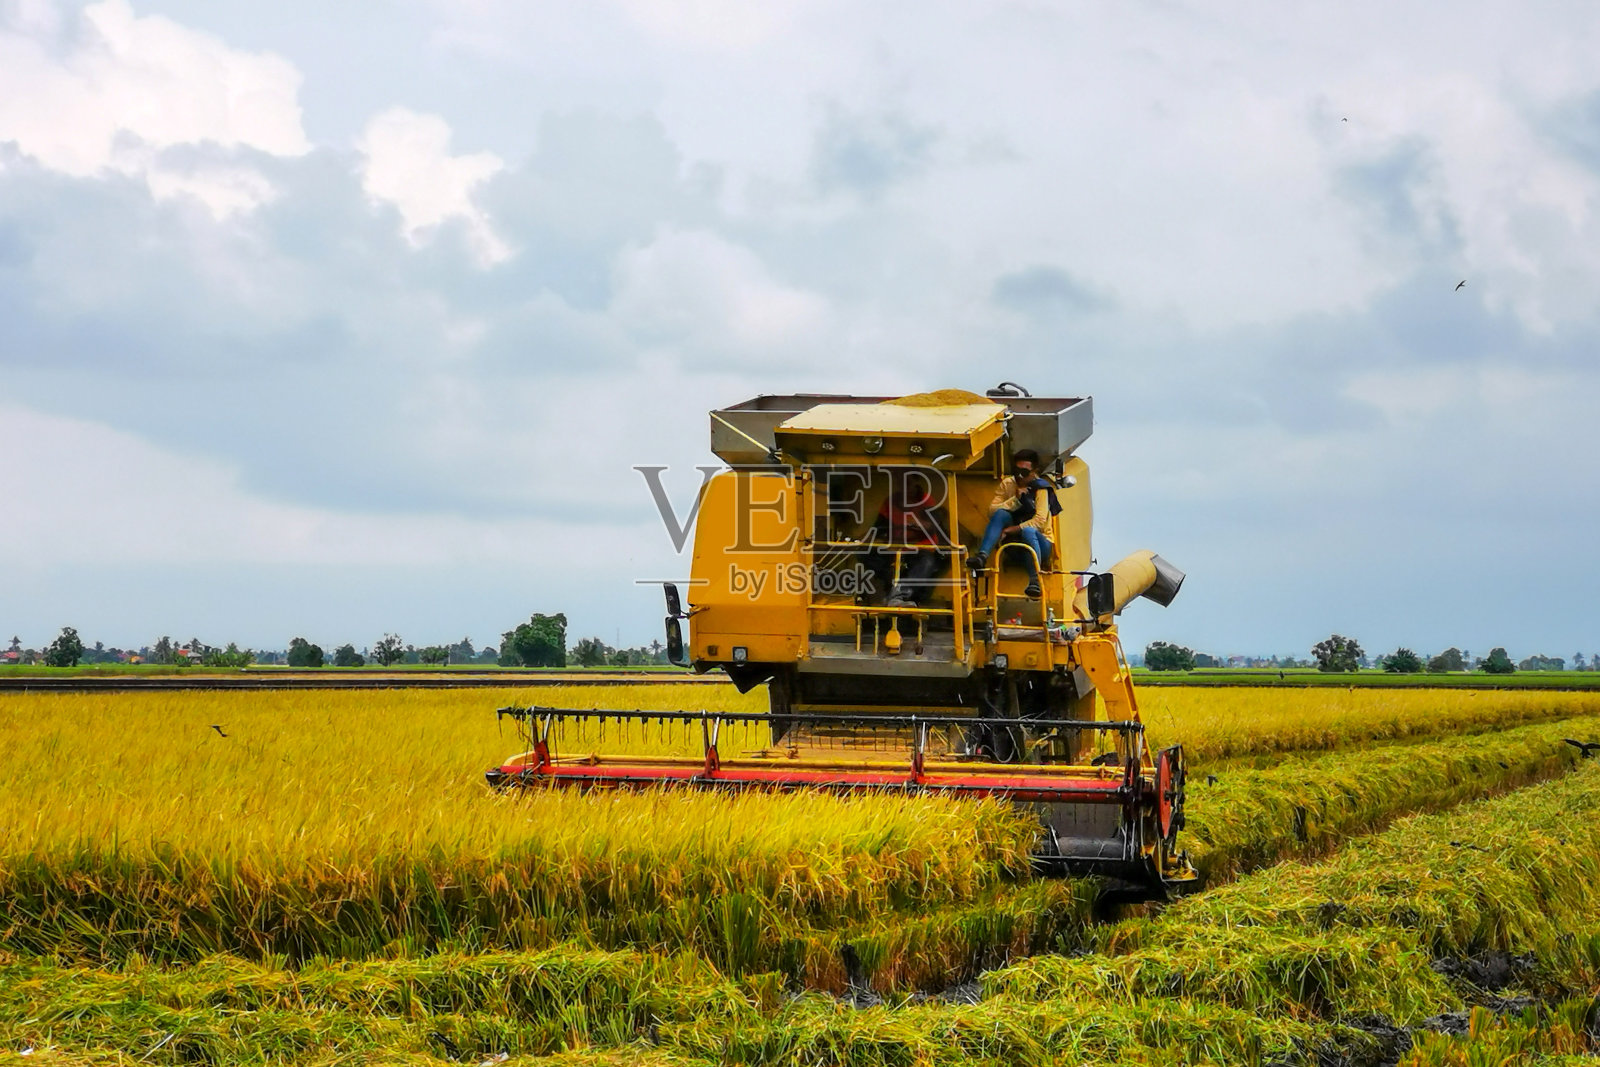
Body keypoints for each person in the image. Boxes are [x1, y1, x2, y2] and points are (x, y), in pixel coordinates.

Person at [970, 449, 1058, 600]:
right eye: (1016, 471)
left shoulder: (1041, 489)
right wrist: (1015, 501)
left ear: (1034, 472)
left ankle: (1035, 581)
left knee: (1029, 531)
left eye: (1024, 472)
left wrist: (1012, 529)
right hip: (1015, 544)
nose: (1019, 476)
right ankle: (982, 556)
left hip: (1040, 543)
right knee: (1001, 514)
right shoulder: (1008, 484)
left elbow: (1040, 521)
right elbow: (992, 511)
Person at [872, 474, 949, 608]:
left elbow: (933, 526)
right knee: (868, 555)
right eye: (900, 484)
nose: (904, 488)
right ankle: (889, 593)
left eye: (907, 483)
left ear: (916, 481)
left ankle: (899, 595)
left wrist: (917, 524)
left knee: (927, 562)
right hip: (897, 548)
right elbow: (879, 526)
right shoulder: (891, 501)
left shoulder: (926, 500)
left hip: (922, 548)